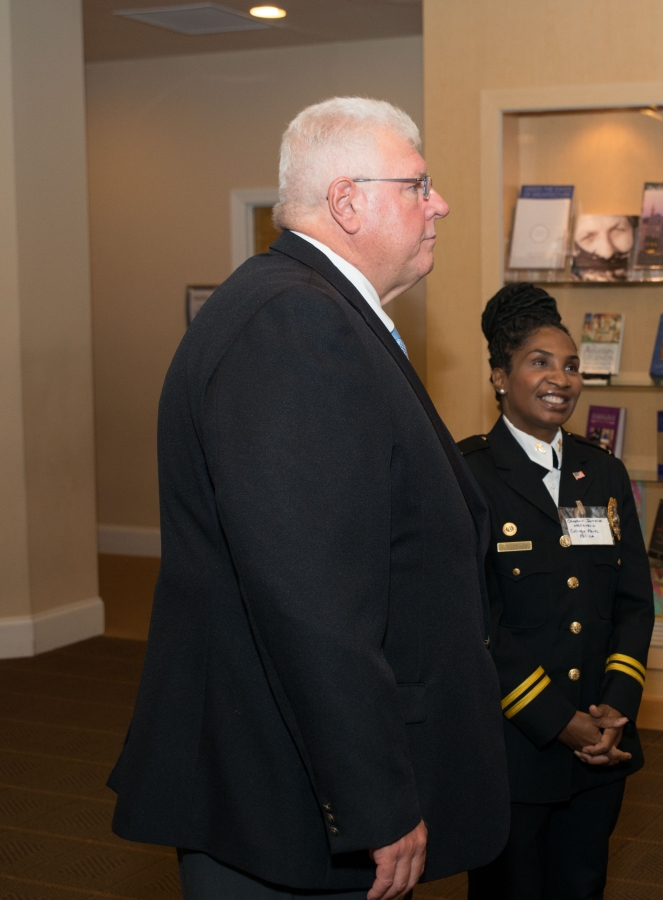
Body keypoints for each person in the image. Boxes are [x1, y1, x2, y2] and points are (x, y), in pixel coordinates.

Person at [108, 97, 509, 899]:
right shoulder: (295, 325)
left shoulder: (308, 308)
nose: (441, 204)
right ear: (348, 200)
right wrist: (375, 801)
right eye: (419, 184)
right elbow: (312, 600)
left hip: (288, 781)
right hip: (288, 801)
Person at [460, 283, 654, 900]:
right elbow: (475, 623)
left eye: (571, 365)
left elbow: (632, 602)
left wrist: (615, 707)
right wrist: (557, 720)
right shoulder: (468, 475)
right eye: (539, 362)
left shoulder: (602, 471)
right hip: (516, 746)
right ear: (499, 376)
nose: (561, 378)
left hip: (600, 747)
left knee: (582, 883)